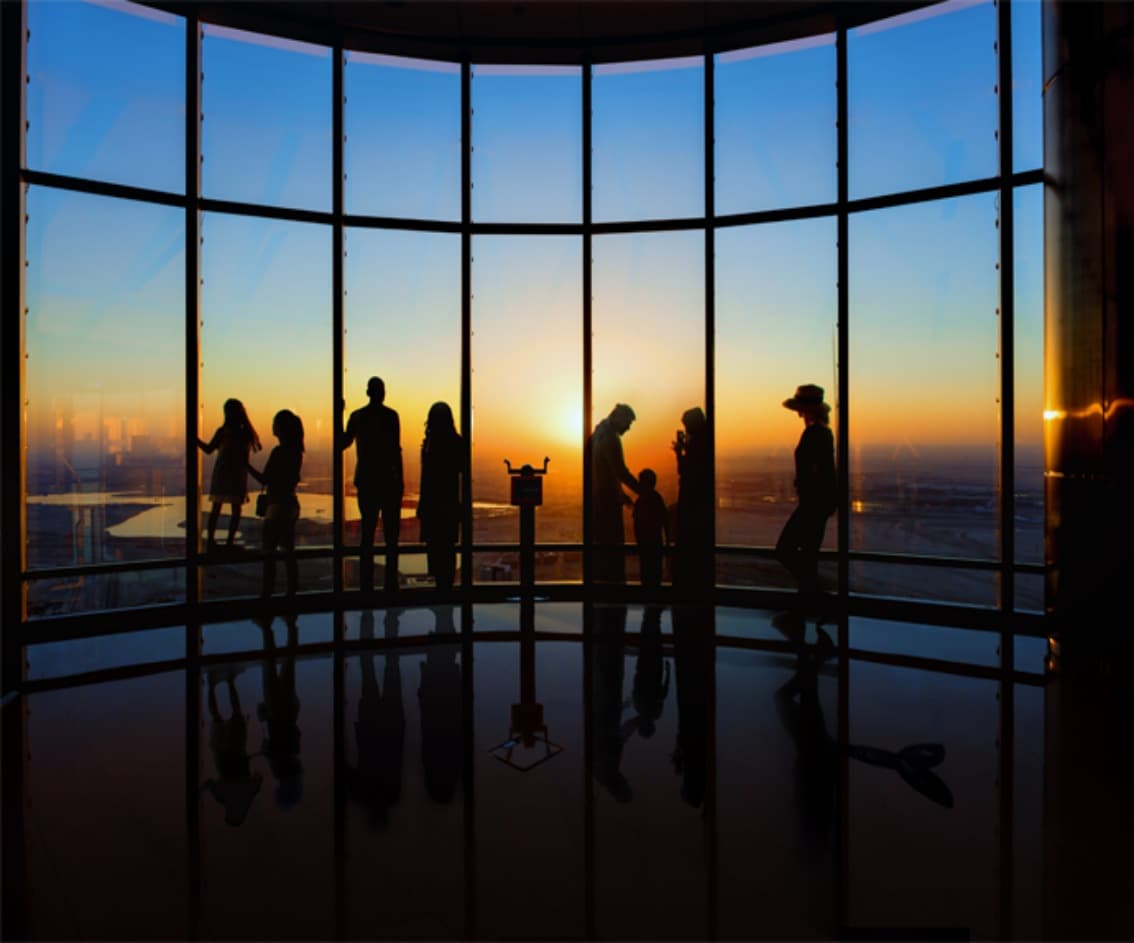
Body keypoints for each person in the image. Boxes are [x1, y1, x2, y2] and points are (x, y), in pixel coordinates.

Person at [775, 384, 837, 615]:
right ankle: (808, 600)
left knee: (786, 550)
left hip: (812, 503)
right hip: (817, 502)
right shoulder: (822, 433)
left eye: (801, 409)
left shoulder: (814, 434)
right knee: (808, 554)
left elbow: (818, 471)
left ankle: (814, 594)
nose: (799, 414)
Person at [342, 378, 404, 593]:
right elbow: (396, 453)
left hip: (368, 481)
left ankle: (366, 586)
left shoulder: (358, 417)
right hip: (388, 482)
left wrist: (338, 414)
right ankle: (390, 585)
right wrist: (400, 482)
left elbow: (342, 442)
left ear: (368, 392)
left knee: (367, 535)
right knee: (391, 538)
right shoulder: (391, 416)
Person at [249, 409, 304, 599]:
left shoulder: (280, 452)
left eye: (275, 424)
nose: (273, 427)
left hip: (277, 506)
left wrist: (245, 465)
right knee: (288, 552)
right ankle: (291, 594)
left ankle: (267, 595)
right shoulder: (296, 451)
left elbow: (264, 478)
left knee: (269, 553)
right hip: (291, 504)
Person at [197, 398, 261, 552]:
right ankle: (229, 542)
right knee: (235, 509)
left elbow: (208, 449)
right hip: (237, 475)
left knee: (216, 508)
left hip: (223, 473)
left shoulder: (224, 431)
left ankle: (212, 541)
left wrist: (195, 440)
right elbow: (245, 457)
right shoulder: (245, 433)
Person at [589, 404, 639, 583]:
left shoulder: (598, 433)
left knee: (601, 549)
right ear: (618, 417)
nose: (628, 427)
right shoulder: (610, 438)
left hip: (598, 499)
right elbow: (620, 472)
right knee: (612, 550)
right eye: (628, 422)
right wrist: (643, 491)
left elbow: (607, 471)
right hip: (607, 503)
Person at [416, 402, 463, 592]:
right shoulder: (457, 443)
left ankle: (441, 591)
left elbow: (425, 479)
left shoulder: (429, 445)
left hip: (432, 506)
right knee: (448, 550)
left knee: (435, 550)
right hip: (449, 505)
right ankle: (447, 589)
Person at [673, 406, 713, 593]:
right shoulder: (704, 442)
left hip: (691, 498)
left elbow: (684, 470)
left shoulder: (697, 445)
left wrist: (679, 453)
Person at [632, 468, 669, 589]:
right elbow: (665, 521)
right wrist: (668, 540)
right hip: (656, 542)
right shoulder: (657, 499)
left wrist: (638, 541)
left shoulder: (640, 501)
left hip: (644, 544)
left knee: (646, 573)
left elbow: (636, 524)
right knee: (655, 574)